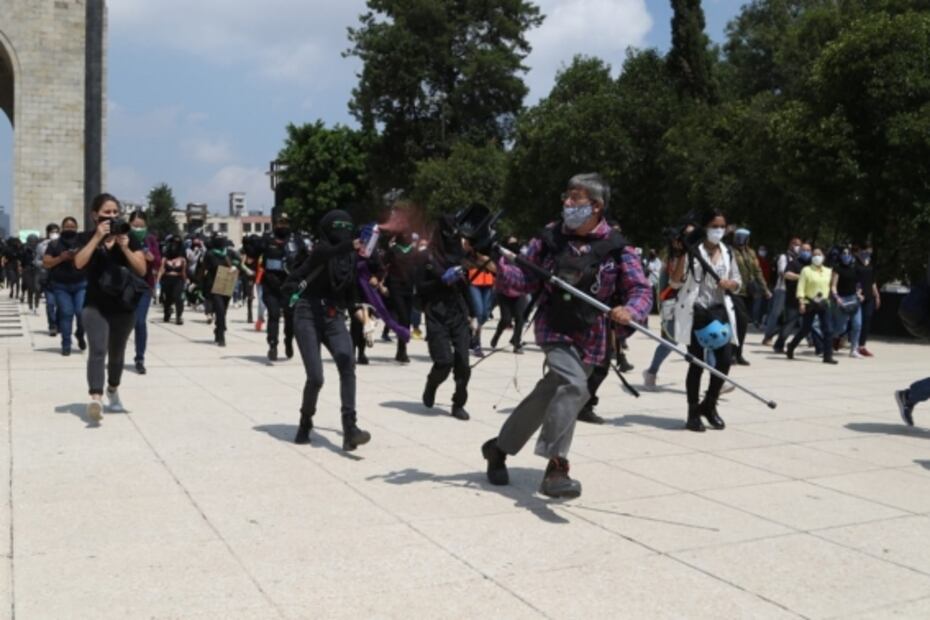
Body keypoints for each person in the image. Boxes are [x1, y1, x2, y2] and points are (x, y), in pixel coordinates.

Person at [481, 173, 649, 498]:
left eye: (576, 198)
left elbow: (640, 289)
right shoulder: (549, 239)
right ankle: (557, 467)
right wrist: (496, 265)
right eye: (566, 197)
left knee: (551, 394)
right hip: (553, 326)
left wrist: (630, 310)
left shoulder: (618, 248)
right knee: (574, 385)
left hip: (592, 335)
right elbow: (524, 278)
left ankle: (498, 448)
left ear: (596, 206)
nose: (568, 203)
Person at [284, 209, 371, 451]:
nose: (342, 232)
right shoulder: (320, 250)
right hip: (307, 314)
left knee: (347, 362)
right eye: (337, 227)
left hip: (334, 316)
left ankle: (350, 428)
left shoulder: (349, 260)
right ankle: (305, 421)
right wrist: (350, 245)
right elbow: (328, 252)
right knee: (316, 377)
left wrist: (366, 321)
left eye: (347, 228)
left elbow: (351, 297)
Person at [73, 193, 146, 421]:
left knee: (116, 353)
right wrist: (97, 238)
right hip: (95, 304)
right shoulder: (86, 237)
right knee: (97, 350)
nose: (112, 216)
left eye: (115, 212)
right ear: (95, 215)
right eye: (107, 212)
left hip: (123, 307)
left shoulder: (128, 236)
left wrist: (125, 248)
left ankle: (112, 389)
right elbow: (78, 263)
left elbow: (142, 269)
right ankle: (95, 397)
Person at [671, 210, 741, 432]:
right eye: (714, 226)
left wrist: (731, 284)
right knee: (697, 363)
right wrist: (683, 253)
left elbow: (737, 280)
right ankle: (693, 412)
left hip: (719, 311)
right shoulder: (693, 251)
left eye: (722, 226)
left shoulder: (727, 252)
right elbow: (675, 282)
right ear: (705, 227)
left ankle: (709, 405)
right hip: (696, 312)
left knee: (724, 361)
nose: (718, 230)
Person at [417, 215, 476, 421]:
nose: (453, 239)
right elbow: (419, 288)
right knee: (444, 361)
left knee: (463, 363)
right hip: (436, 312)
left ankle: (458, 403)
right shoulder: (426, 257)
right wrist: (441, 281)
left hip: (458, 313)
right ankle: (432, 384)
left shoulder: (460, 257)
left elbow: (466, 288)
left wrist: (474, 314)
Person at [643, 225, 694, 389]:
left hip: (692, 304)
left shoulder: (698, 254)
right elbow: (673, 282)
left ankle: (717, 379)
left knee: (700, 343)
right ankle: (651, 371)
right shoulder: (672, 257)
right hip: (672, 304)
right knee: (670, 342)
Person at [259, 214, 308, 361]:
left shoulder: (296, 240)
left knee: (290, 316)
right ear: (275, 224)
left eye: (285, 222)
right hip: (270, 284)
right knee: (273, 314)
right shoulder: (267, 239)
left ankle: (288, 340)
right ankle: (273, 345)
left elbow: (305, 260)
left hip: (289, 285)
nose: (282, 225)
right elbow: (253, 252)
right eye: (280, 222)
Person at [43, 217, 87, 355]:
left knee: (81, 312)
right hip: (61, 285)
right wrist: (61, 258)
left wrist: (77, 256)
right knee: (66, 313)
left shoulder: (82, 241)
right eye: (67, 226)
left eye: (72, 226)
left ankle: (80, 333)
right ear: (62, 228)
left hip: (80, 284)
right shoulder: (54, 244)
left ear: (77, 227)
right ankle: (66, 344)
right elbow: (46, 262)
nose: (70, 229)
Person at [786, 247, 837, 364]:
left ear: (823, 257)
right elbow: (801, 287)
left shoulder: (828, 271)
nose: (817, 257)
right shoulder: (806, 270)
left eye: (819, 254)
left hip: (824, 303)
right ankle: (791, 346)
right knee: (806, 329)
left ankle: (827, 356)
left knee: (828, 329)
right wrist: (801, 302)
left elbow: (830, 287)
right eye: (814, 255)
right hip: (810, 303)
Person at [731, 228, 770, 366]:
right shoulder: (730, 252)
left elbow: (757, 271)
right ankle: (731, 354)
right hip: (735, 291)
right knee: (737, 322)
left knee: (743, 325)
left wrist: (765, 289)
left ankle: (738, 353)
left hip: (749, 292)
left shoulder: (751, 252)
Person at [129, 211, 161, 374]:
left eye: (141, 226)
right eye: (135, 225)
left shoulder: (150, 240)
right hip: (125, 286)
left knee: (140, 322)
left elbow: (158, 261)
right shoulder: (124, 239)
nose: (138, 229)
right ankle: (115, 354)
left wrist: (151, 257)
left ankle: (140, 357)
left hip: (144, 286)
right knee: (121, 323)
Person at [201, 235, 247, 347]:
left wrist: (235, 266)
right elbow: (204, 268)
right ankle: (221, 336)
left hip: (227, 284)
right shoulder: (210, 254)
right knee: (220, 309)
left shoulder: (230, 252)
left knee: (223, 310)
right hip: (214, 286)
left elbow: (239, 260)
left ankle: (218, 329)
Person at [489, 236, 528, 354]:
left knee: (520, 318)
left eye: (515, 243)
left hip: (520, 291)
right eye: (510, 244)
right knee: (506, 319)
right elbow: (499, 270)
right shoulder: (501, 258)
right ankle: (497, 335)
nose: (513, 246)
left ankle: (516, 343)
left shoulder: (522, 257)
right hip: (504, 291)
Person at [383, 232, 417, 363]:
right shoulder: (393, 250)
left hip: (409, 288)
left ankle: (401, 350)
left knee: (407, 319)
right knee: (402, 316)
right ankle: (401, 350)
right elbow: (383, 265)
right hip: (395, 286)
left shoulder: (413, 251)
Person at [773, 242, 810, 353]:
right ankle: (779, 345)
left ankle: (818, 346)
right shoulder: (794, 263)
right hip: (793, 298)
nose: (806, 252)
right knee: (790, 323)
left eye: (808, 250)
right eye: (804, 250)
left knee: (809, 325)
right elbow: (787, 274)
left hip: (808, 299)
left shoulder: (811, 266)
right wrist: (801, 277)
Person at [763, 238, 801, 345]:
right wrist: (798, 276)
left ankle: (780, 339)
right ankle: (767, 337)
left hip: (793, 291)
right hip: (782, 289)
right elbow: (782, 272)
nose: (797, 247)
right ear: (790, 244)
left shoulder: (798, 259)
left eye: (799, 245)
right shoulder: (784, 257)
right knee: (776, 313)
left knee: (792, 315)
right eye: (795, 244)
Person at [831, 246, 864, 359]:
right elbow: (833, 286)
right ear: (840, 255)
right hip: (842, 300)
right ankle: (830, 340)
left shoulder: (855, 268)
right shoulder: (837, 268)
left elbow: (858, 284)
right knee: (841, 328)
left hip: (854, 299)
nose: (846, 255)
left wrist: (859, 293)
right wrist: (836, 297)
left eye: (848, 253)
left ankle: (854, 349)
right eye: (844, 253)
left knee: (857, 324)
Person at [856, 244, 881, 357]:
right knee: (856, 322)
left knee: (866, 321)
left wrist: (877, 295)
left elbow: (873, 282)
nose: (868, 253)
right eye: (866, 251)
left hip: (869, 297)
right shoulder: (855, 264)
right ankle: (840, 338)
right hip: (858, 296)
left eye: (870, 251)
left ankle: (861, 346)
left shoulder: (871, 265)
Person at [36, 223, 61, 336]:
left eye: (56, 231)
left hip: (61, 278)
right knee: (50, 304)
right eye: (52, 232)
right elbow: (36, 261)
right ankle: (52, 326)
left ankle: (59, 324)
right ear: (47, 233)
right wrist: (45, 263)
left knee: (61, 305)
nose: (54, 234)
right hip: (47, 278)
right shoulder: (41, 246)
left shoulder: (63, 244)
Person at [157, 236, 187, 325]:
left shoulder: (183, 260)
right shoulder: (165, 258)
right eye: (173, 243)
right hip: (167, 279)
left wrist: (185, 282)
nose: (175, 246)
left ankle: (179, 316)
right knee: (168, 299)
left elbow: (183, 272)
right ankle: (167, 313)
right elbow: (161, 270)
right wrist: (157, 282)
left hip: (178, 280)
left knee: (178, 298)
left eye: (177, 244)